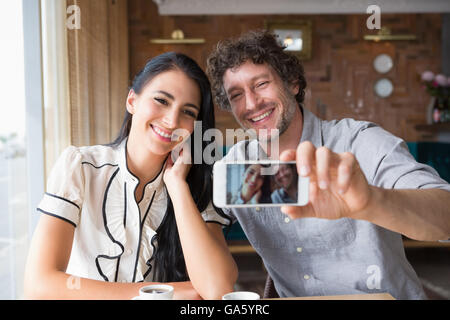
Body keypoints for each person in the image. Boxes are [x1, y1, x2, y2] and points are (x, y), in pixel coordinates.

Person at [206, 30, 450, 299]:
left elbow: (445, 216)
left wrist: (372, 202)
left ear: (293, 83)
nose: (251, 103)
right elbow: (199, 229)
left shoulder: (359, 142)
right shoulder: (234, 166)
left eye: (261, 83)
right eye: (236, 95)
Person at [24, 52, 237, 300]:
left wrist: (177, 187)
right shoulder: (81, 167)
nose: (171, 121)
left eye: (188, 112)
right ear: (132, 101)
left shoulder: (197, 186)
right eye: (161, 100)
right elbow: (39, 285)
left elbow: (218, 289)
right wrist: (161, 294)